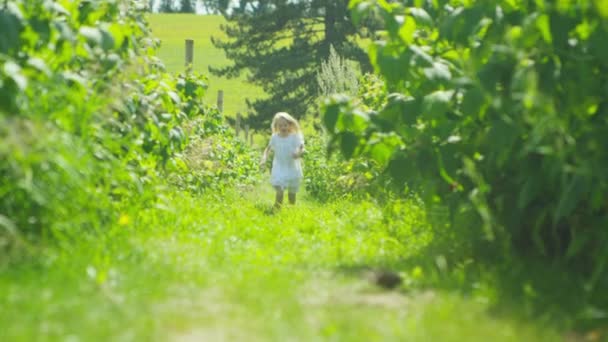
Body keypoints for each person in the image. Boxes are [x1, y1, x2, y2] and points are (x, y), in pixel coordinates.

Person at [261, 112, 305, 209]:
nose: (283, 127)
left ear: (290, 125)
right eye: (280, 125)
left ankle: (291, 210)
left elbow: (301, 147)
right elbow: (268, 149)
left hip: (292, 168)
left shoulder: (294, 136)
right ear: (276, 126)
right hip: (279, 167)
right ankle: (276, 209)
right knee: (280, 191)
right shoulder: (275, 137)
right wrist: (264, 158)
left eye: (285, 125)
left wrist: (297, 153)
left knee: (292, 194)